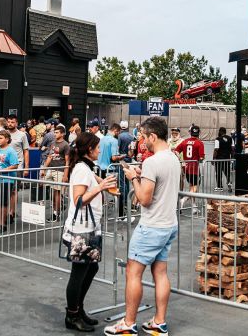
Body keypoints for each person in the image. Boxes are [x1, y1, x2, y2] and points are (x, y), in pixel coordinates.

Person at [106, 117, 180, 335]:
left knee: (133, 272)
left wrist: (132, 178)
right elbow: (163, 185)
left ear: (153, 136)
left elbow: (145, 199)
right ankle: (159, 321)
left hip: (152, 226)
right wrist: (142, 176)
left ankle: (128, 324)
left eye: (144, 137)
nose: (142, 141)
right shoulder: (174, 158)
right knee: (160, 272)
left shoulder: (152, 161)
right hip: (169, 224)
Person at [63, 132, 117, 333]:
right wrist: (101, 187)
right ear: (89, 150)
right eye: (97, 147)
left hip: (89, 228)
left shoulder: (85, 168)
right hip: (80, 230)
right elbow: (78, 200)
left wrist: (103, 185)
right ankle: (72, 314)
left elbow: (92, 181)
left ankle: (79, 309)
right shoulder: (81, 170)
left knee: (91, 268)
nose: (100, 150)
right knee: (79, 272)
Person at [0, 130, 19, 233]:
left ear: (7, 139)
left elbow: (15, 165)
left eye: (1, 138)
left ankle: (2, 223)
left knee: (3, 203)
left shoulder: (11, 151)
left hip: (6, 180)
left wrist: (2, 171)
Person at [43, 125, 70, 222]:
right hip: (51, 169)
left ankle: (56, 213)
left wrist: (66, 175)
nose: (55, 134)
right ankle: (59, 207)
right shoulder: (53, 143)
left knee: (57, 193)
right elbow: (50, 156)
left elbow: (67, 161)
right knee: (52, 192)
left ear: (62, 133)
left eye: (57, 132)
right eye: (55, 132)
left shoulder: (65, 145)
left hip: (60, 170)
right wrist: (44, 169)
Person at [175, 125, 205, 214]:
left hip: (187, 168)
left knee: (191, 186)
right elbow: (201, 157)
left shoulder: (185, 142)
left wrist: (181, 160)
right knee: (195, 187)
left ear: (190, 132)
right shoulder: (199, 143)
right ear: (199, 133)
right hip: (195, 168)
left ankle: (194, 206)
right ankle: (184, 199)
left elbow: (176, 151)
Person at [6, 115, 29, 223]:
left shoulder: (22, 135)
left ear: (16, 123)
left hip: (18, 167)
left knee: (14, 191)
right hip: (5, 167)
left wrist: (26, 168)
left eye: (12, 122)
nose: (10, 124)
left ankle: (11, 212)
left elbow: (26, 151)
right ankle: (6, 211)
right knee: (6, 191)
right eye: (9, 122)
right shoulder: (4, 134)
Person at [213, 127, 233, 192]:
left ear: (220, 132)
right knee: (227, 173)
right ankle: (229, 185)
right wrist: (231, 157)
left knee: (218, 173)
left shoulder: (217, 139)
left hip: (219, 159)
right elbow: (233, 148)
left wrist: (213, 159)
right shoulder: (230, 138)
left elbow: (216, 149)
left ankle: (219, 187)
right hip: (227, 159)